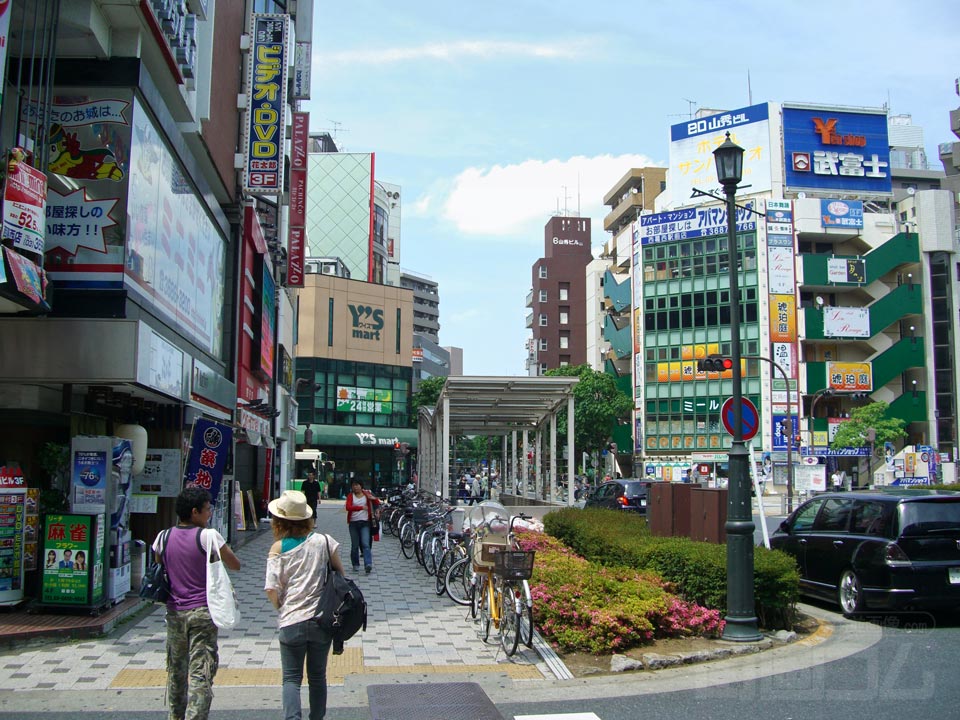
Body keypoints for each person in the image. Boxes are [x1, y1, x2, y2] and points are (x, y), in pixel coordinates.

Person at [155, 485, 240, 720]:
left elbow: (160, 563)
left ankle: (175, 716)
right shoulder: (208, 536)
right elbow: (235, 564)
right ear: (195, 512)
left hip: (175, 612)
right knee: (201, 672)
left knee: (176, 671)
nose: (209, 513)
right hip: (202, 612)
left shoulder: (163, 537)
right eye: (207, 509)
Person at [265, 490, 345, 720]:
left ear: (279, 521)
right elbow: (340, 575)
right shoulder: (324, 542)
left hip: (291, 620)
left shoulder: (278, 548)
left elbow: (271, 588)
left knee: (291, 679)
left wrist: (281, 607)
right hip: (321, 620)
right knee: (318, 677)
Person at [344, 479, 380, 574]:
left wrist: (374, 499)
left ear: (361, 485)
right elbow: (348, 507)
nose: (355, 487)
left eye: (357, 485)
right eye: (353, 485)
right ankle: (355, 564)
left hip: (365, 523)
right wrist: (361, 508)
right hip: (353, 523)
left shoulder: (367, 494)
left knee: (365, 544)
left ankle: (368, 564)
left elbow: (377, 502)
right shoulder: (350, 496)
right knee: (354, 545)